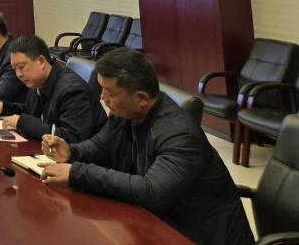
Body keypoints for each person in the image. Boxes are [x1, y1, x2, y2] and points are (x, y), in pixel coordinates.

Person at [39, 48, 253, 245]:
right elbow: (101, 146)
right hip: (155, 222)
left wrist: (77, 173)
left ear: (141, 98)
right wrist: (72, 152)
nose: (103, 98)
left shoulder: (180, 134)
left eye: (110, 93)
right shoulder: (125, 113)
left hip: (200, 235)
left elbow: (152, 191)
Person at [0, 35, 105, 142]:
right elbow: (32, 111)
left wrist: (22, 122)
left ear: (41, 61)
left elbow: (71, 136)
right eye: (15, 69)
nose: (18, 74)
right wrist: (4, 107)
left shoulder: (72, 90)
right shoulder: (37, 80)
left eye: (21, 67)